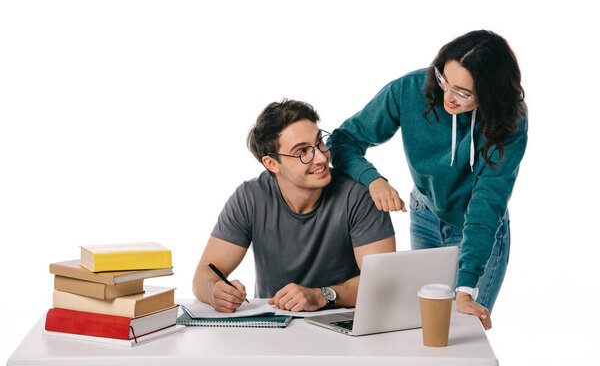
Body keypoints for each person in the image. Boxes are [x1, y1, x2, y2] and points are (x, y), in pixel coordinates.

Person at [330, 30, 527, 330]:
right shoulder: (409, 90)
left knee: (463, 330)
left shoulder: (510, 120)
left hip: (477, 228)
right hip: (425, 216)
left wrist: (465, 289)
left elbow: (487, 202)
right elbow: (343, 140)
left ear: (490, 93)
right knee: (423, 327)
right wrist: (373, 180)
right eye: (445, 80)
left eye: (463, 92)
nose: (448, 95)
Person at [192, 99, 396, 313]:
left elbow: (384, 282)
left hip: (343, 320)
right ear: (271, 163)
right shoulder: (249, 198)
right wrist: (215, 290)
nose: (321, 157)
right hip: (274, 326)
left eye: (320, 143)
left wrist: (321, 295)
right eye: (302, 152)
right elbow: (204, 275)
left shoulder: (358, 196)